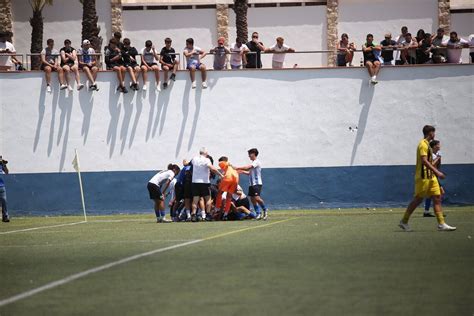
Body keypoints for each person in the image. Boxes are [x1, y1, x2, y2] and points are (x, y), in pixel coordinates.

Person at [399, 125, 456, 232]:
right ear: (430, 133)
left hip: (431, 177)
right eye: (434, 132)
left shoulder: (428, 145)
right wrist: (438, 172)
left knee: (437, 197)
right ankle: (404, 221)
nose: (434, 135)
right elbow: (424, 161)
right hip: (423, 177)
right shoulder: (422, 145)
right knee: (418, 199)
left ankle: (441, 224)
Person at [185, 148, 223, 222]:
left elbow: (188, 164)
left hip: (195, 182)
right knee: (208, 198)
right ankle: (208, 215)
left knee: (195, 199)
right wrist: (220, 174)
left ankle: (193, 215)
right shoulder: (206, 160)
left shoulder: (194, 159)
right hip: (204, 182)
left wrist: (185, 162)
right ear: (205, 153)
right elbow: (213, 169)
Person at [236, 148, 268, 220]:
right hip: (251, 184)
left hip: (257, 184)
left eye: (250, 154)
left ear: (253, 154)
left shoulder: (256, 162)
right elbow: (250, 173)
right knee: (252, 199)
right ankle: (258, 213)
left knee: (257, 198)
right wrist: (242, 172)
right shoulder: (253, 162)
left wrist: (237, 167)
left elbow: (248, 168)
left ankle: (265, 210)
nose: (249, 156)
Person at [423, 140, 443, 217]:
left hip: (434, 176)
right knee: (439, 193)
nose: (439, 146)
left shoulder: (436, 154)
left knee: (432, 195)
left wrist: (439, 158)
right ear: (434, 146)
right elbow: (431, 165)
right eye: (438, 145)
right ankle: (437, 212)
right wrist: (438, 158)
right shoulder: (431, 155)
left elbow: (438, 166)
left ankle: (426, 211)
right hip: (431, 176)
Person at [0, 156, 9, 222]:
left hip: (1, 186)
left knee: (4, 201)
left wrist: (4, 164)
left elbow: (7, 172)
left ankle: (5, 216)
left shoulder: (1, 164)